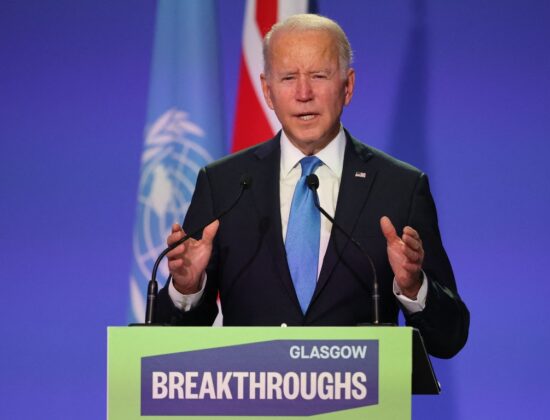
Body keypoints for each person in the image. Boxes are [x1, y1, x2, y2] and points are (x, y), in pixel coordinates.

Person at [155, 14, 469, 359]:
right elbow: (167, 345)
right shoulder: (224, 185)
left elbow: (449, 337)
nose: (303, 94)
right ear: (267, 91)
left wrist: (413, 287)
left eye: (319, 76)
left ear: (347, 86)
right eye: (288, 78)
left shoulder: (400, 187)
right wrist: (187, 289)